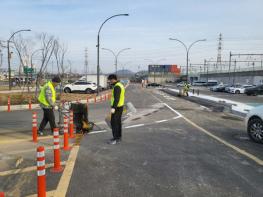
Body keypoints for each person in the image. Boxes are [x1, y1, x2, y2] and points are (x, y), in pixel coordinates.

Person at [108, 74, 125, 145]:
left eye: (110, 80)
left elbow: (116, 99)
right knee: (118, 123)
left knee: (114, 123)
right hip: (120, 107)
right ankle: (118, 137)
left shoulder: (117, 87)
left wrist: (113, 108)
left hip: (117, 108)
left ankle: (116, 138)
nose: (110, 82)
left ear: (113, 79)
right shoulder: (120, 85)